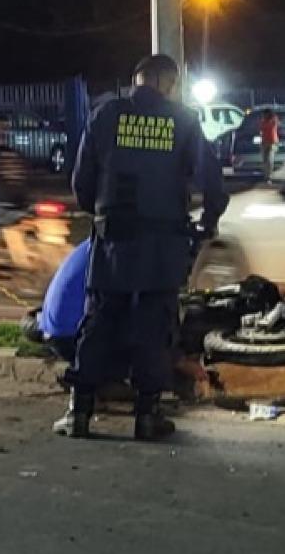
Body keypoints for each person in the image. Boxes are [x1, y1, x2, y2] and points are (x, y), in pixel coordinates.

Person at [54, 53, 229, 441]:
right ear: (170, 84)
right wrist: (207, 222)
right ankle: (147, 417)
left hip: (114, 238)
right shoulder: (183, 120)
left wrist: (100, 213)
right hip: (162, 243)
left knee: (99, 320)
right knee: (155, 325)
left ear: (136, 80)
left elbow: (81, 182)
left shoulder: (105, 115)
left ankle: (79, 412)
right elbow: (213, 184)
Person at [259, 108, 280, 180]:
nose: (264, 115)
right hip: (264, 142)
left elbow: (273, 125)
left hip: (272, 142)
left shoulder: (273, 120)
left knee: (270, 159)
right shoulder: (263, 121)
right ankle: (266, 175)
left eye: (265, 114)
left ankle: (269, 175)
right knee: (265, 159)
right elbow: (261, 128)